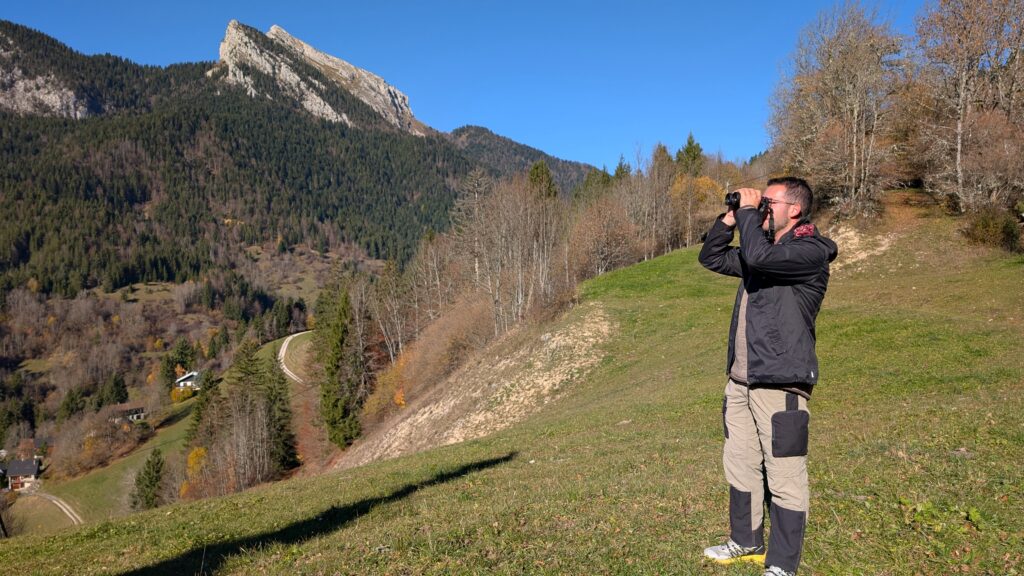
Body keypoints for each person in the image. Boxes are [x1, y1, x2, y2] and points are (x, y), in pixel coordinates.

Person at [697, 177, 838, 576]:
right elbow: (711, 257)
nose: (762, 208)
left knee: (785, 473)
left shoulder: (809, 252)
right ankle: (746, 539)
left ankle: (782, 564)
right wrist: (729, 219)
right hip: (742, 380)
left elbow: (758, 258)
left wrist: (747, 213)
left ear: (795, 209)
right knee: (740, 464)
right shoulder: (765, 252)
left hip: (780, 381)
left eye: (768, 202)